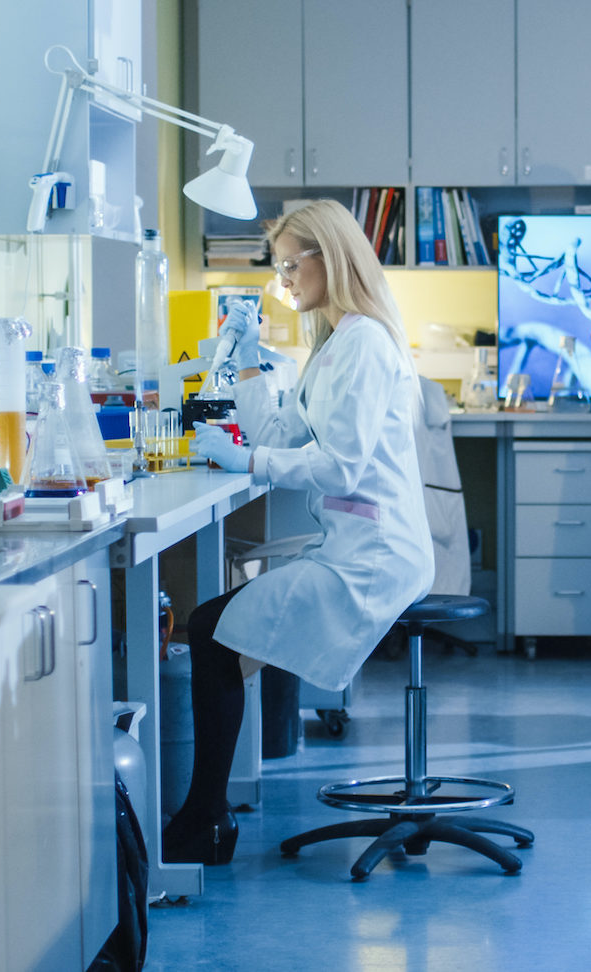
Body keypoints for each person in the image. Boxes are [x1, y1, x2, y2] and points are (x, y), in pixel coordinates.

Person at [166, 199, 436, 864]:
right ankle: (207, 816)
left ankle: (205, 818)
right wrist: (249, 362)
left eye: (291, 264)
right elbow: (282, 434)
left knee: (209, 631)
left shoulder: (366, 342)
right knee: (219, 635)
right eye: (278, 265)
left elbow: (339, 467)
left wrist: (247, 461)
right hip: (347, 544)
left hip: (374, 558)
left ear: (331, 258)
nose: (282, 279)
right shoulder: (334, 341)